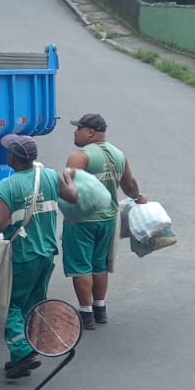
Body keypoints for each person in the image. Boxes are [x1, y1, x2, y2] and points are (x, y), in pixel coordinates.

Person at [0, 134, 78, 379]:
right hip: (47, 253)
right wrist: (68, 177)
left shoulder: (8, 185)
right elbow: (73, 197)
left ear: (14, 157)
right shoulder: (48, 175)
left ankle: (22, 351)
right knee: (33, 304)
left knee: (8, 306)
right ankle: (22, 356)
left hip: (22, 255)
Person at [61, 113, 145, 329]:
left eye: (78, 128)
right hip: (108, 220)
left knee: (81, 267)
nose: (75, 132)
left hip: (82, 221)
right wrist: (139, 198)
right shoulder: (119, 154)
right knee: (100, 265)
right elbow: (129, 186)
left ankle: (86, 314)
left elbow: (69, 189)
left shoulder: (79, 156)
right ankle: (100, 309)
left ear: (90, 132)